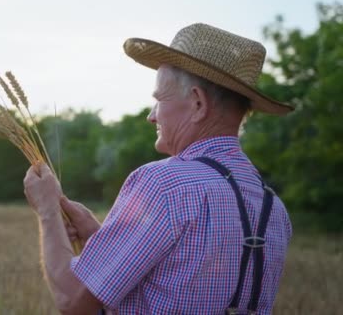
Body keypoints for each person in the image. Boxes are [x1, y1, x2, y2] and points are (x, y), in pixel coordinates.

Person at [23, 23, 294, 314]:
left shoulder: (163, 183)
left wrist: (48, 209)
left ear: (198, 103)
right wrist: (98, 237)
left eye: (159, 100)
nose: (152, 116)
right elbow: (176, 279)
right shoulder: (273, 207)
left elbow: (72, 300)